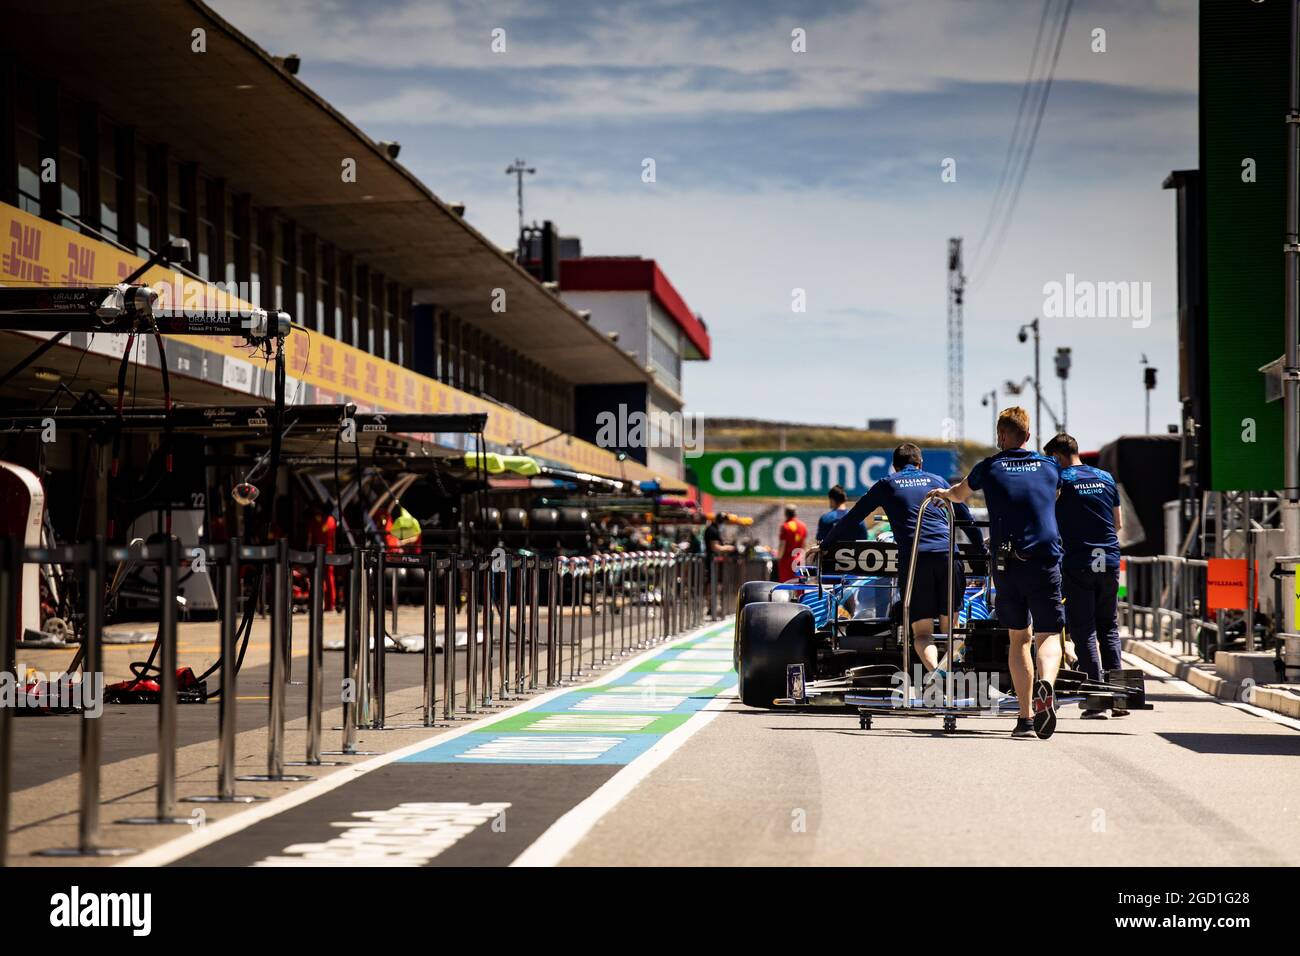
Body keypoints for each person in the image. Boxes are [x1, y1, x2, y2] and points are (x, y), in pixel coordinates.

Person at [928, 407, 1063, 739]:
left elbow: (958, 494)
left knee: (1019, 638)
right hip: (1045, 559)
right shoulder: (1049, 466)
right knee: (1049, 635)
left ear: (1001, 435)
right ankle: (1047, 682)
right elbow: (1057, 495)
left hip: (1006, 562)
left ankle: (1026, 718)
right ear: (1028, 436)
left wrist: (943, 494)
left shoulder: (989, 467)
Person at [820, 443, 985, 681]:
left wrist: (825, 544)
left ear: (895, 467)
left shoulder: (887, 484)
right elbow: (966, 518)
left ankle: (941, 679)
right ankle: (950, 675)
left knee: (922, 634)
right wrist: (980, 551)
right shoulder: (937, 479)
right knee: (953, 632)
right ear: (920, 464)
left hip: (916, 560)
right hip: (950, 556)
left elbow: (853, 516)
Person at [1044, 432, 1123, 714]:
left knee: (1084, 629)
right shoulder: (1106, 477)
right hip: (1110, 559)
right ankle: (1121, 696)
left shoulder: (1061, 480)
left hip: (1079, 561)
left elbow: (1047, 519)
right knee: (1109, 627)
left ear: (1056, 457)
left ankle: (1097, 698)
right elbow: (1118, 523)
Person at [305, 503, 338, 611]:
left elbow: (309, 537)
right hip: (329, 553)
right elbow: (334, 538)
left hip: (316, 553)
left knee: (315, 579)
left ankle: (314, 603)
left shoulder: (315, 520)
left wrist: (307, 550)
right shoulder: (332, 521)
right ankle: (331, 604)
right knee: (330, 579)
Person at [776, 506, 808, 581]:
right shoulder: (803, 526)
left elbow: (782, 546)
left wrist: (778, 558)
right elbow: (804, 545)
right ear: (795, 513)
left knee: (786, 586)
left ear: (785, 514)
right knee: (800, 586)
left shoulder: (785, 526)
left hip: (787, 560)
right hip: (799, 560)